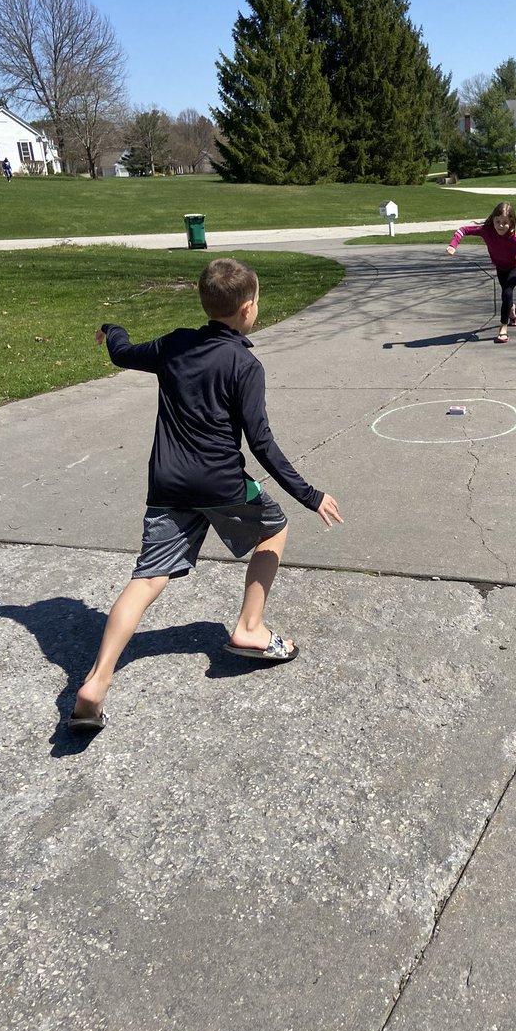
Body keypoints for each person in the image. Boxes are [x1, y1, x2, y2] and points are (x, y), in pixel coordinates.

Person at [69, 257, 342, 730]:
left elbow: (122, 351)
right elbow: (261, 443)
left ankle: (95, 681)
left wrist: (110, 327)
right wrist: (309, 494)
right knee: (273, 530)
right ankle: (250, 628)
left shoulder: (175, 344)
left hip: (168, 485)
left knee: (148, 577)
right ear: (247, 308)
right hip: (221, 484)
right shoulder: (245, 364)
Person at [445, 201, 516, 343]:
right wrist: (453, 245)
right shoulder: (486, 231)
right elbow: (463, 230)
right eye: (497, 221)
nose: (501, 225)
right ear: (493, 220)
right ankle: (513, 313)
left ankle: (503, 327)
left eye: (505, 222)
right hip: (500, 268)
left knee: (507, 292)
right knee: (508, 296)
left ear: (511, 223)